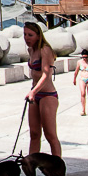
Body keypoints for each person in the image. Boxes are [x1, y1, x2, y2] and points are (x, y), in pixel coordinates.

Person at [23, 20, 62, 158]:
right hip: (35, 95)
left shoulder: (45, 50)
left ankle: (57, 172)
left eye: (30, 35)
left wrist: (33, 91)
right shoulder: (31, 50)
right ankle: (31, 167)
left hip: (47, 95)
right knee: (34, 134)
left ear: (38, 36)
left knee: (50, 134)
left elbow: (46, 75)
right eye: (25, 34)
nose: (27, 38)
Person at [73, 49, 88, 115]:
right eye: (83, 57)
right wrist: (74, 79)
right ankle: (83, 110)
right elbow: (76, 71)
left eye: (86, 57)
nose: (85, 59)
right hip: (82, 79)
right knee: (83, 93)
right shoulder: (79, 62)